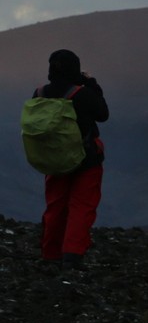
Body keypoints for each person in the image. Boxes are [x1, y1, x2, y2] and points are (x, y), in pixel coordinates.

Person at [34, 49, 110, 268]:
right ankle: (72, 255)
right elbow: (103, 114)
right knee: (82, 206)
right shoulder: (81, 93)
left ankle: (50, 254)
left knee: (55, 206)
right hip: (86, 160)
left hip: (54, 160)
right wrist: (91, 84)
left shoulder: (40, 93)